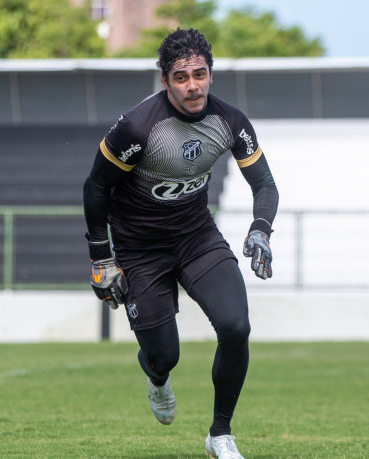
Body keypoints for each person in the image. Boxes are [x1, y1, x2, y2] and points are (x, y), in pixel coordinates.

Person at [83, 28, 278, 459]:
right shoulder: (137, 127)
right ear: (165, 81)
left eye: (200, 74)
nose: (193, 85)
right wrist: (102, 257)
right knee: (164, 356)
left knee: (236, 327)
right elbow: (96, 187)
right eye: (181, 77)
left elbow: (264, 183)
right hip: (139, 251)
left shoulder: (230, 121)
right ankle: (156, 378)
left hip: (196, 237)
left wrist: (261, 228)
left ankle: (220, 434)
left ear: (211, 74)